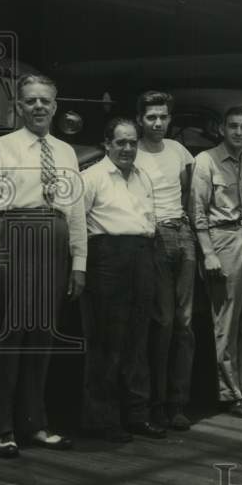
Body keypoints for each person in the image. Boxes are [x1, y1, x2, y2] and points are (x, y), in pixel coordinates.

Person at [0, 73, 87, 457]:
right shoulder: (1, 147)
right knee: (8, 339)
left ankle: (35, 424)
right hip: (15, 237)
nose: (39, 106)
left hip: (54, 240)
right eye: (31, 101)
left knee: (42, 339)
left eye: (45, 101)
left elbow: (76, 213)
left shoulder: (66, 152)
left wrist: (79, 263)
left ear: (55, 106)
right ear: (19, 106)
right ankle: (1, 428)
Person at [80, 118, 165, 442]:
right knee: (107, 342)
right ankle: (101, 420)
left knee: (138, 340)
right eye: (121, 143)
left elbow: (148, 219)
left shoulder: (143, 177)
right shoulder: (92, 178)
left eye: (132, 142)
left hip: (142, 255)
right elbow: (76, 222)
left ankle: (136, 416)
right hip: (107, 257)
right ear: (107, 144)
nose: (128, 148)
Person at [190, 107, 242, 418]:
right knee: (226, 321)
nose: (238, 132)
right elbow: (197, 211)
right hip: (222, 240)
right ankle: (229, 393)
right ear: (222, 128)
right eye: (232, 126)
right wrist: (208, 252)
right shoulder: (206, 161)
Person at [134, 91, 196, 431]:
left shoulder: (179, 151)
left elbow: (187, 193)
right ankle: (155, 404)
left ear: (170, 119)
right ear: (141, 119)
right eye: (151, 117)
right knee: (163, 323)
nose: (158, 123)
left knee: (185, 325)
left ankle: (178, 404)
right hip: (153, 237)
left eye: (163, 117)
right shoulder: (134, 151)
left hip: (183, 235)